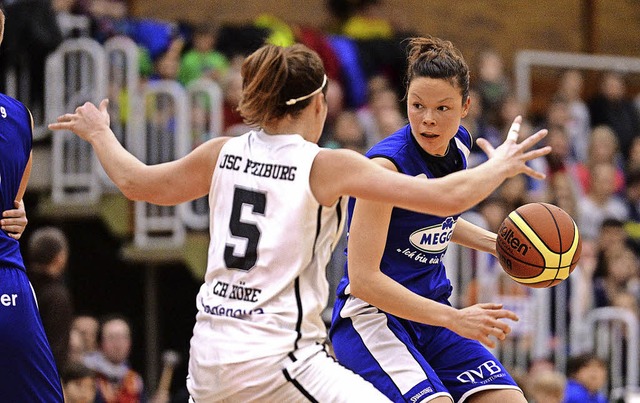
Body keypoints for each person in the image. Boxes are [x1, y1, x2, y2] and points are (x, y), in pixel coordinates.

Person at [49, 42, 549, 402]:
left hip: (208, 355)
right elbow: (443, 196)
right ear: (315, 104)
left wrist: (99, 134)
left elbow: (138, 183)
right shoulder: (326, 164)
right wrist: (501, 163)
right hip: (279, 356)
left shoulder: (222, 151)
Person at [330, 36, 534, 403]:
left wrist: (498, 246)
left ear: (465, 106)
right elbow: (363, 280)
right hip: (375, 319)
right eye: (417, 105)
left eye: (442, 108)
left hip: (431, 316)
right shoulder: (385, 167)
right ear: (405, 99)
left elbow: (436, 217)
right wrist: (454, 319)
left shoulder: (458, 146)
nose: (427, 119)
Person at [0, 8, 64, 402]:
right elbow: (16, 201)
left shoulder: (17, 116)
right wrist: (18, 208)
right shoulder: (18, 115)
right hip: (8, 285)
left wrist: (17, 207)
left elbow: (15, 202)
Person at [26, 226, 74, 370]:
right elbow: (55, 351)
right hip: (40, 381)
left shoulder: (15, 286)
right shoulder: (57, 297)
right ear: (60, 258)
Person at [84, 314, 145, 402]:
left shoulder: (135, 380)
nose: (118, 344)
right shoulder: (87, 375)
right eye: (112, 337)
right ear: (100, 343)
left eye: (124, 337)